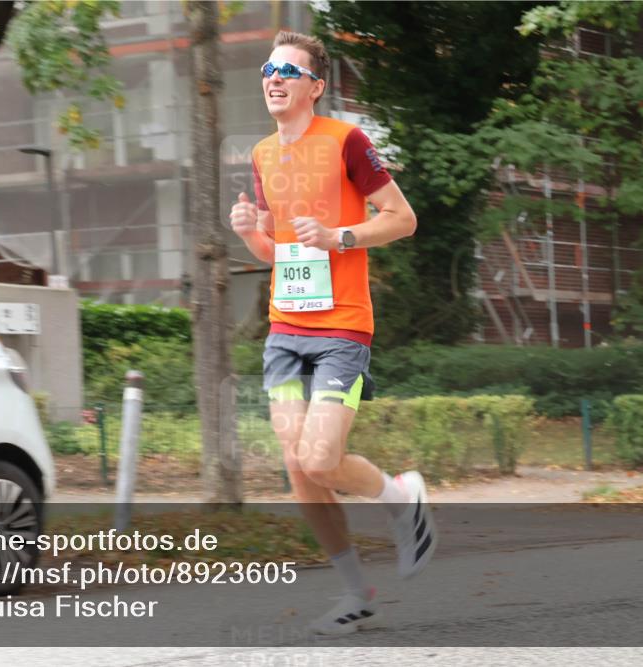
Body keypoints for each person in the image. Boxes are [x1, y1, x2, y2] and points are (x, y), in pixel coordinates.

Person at [229, 31, 436, 636]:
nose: (273, 77)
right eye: (268, 68)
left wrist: (342, 236)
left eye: (287, 71)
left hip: (342, 327)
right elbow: (277, 250)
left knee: (321, 457)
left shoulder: (347, 141)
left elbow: (403, 218)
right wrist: (248, 234)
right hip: (285, 329)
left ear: (314, 87)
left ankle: (401, 498)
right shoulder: (263, 154)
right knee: (299, 465)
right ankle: (356, 592)